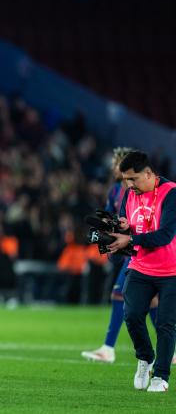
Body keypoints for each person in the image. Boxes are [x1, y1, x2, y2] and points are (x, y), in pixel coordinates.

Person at [80, 147, 159, 363]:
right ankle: (169, 349)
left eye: (118, 162)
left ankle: (109, 348)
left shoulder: (142, 190)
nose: (115, 167)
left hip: (141, 250)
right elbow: (110, 215)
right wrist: (104, 227)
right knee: (151, 301)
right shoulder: (116, 190)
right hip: (126, 251)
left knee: (119, 294)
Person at [106, 150, 176, 392]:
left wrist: (131, 239)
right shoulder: (129, 194)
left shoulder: (171, 193)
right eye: (125, 179)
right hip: (140, 267)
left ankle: (161, 377)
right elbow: (126, 225)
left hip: (171, 271)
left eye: (132, 178)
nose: (128, 184)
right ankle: (145, 357)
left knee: (166, 324)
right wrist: (116, 231)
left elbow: (165, 235)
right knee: (132, 315)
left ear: (148, 173)